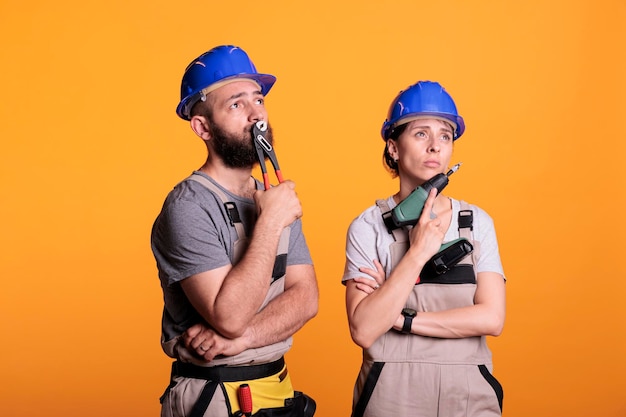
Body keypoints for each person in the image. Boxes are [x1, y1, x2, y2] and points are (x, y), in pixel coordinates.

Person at [151, 45, 318, 417]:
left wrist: (242, 339)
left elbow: (306, 299)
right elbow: (229, 316)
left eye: (258, 99)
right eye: (237, 104)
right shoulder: (188, 206)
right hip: (214, 396)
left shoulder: (272, 196)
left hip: (277, 386)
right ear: (203, 127)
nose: (257, 114)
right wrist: (272, 222)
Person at [342, 81, 506, 417]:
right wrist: (417, 252)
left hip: (469, 393)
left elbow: (492, 317)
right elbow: (364, 328)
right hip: (389, 394)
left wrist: (400, 319)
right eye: (420, 134)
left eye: (445, 135)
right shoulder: (368, 226)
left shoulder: (476, 222)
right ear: (393, 147)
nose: (435, 147)